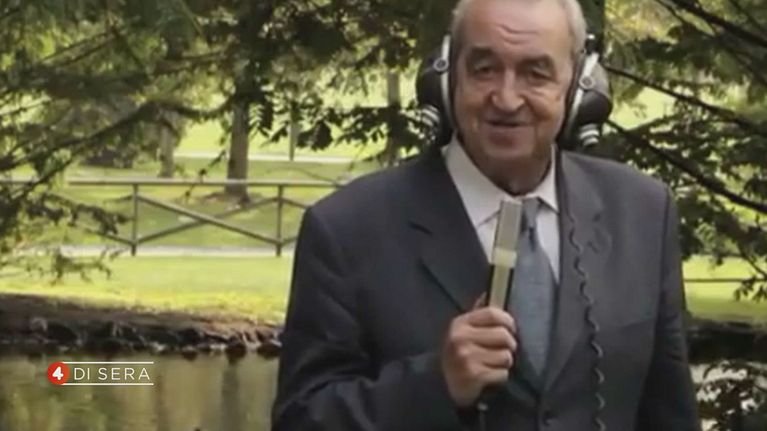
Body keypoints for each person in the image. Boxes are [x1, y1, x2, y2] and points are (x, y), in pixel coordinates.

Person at [271, 0, 701, 430]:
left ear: (577, 86)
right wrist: (435, 383)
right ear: (448, 76)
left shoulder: (643, 213)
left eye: (535, 73)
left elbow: (671, 416)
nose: (506, 99)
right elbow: (301, 421)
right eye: (484, 69)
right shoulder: (346, 230)